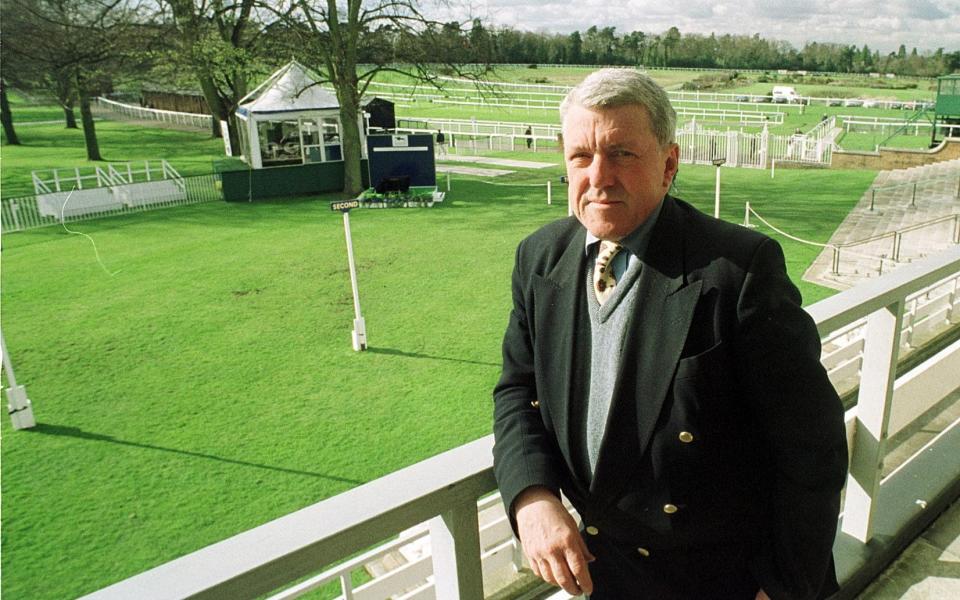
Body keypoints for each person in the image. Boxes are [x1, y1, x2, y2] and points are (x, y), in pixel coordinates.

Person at [492, 68, 848, 599]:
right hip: (604, 572)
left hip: (719, 578)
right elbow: (519, 390)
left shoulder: (738, 270)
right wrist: (532, 496)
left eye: (622, 154)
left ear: (669, 163)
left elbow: (812, 446)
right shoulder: (540, 259)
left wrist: (780, 586)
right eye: (581, 157)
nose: (599, 177)